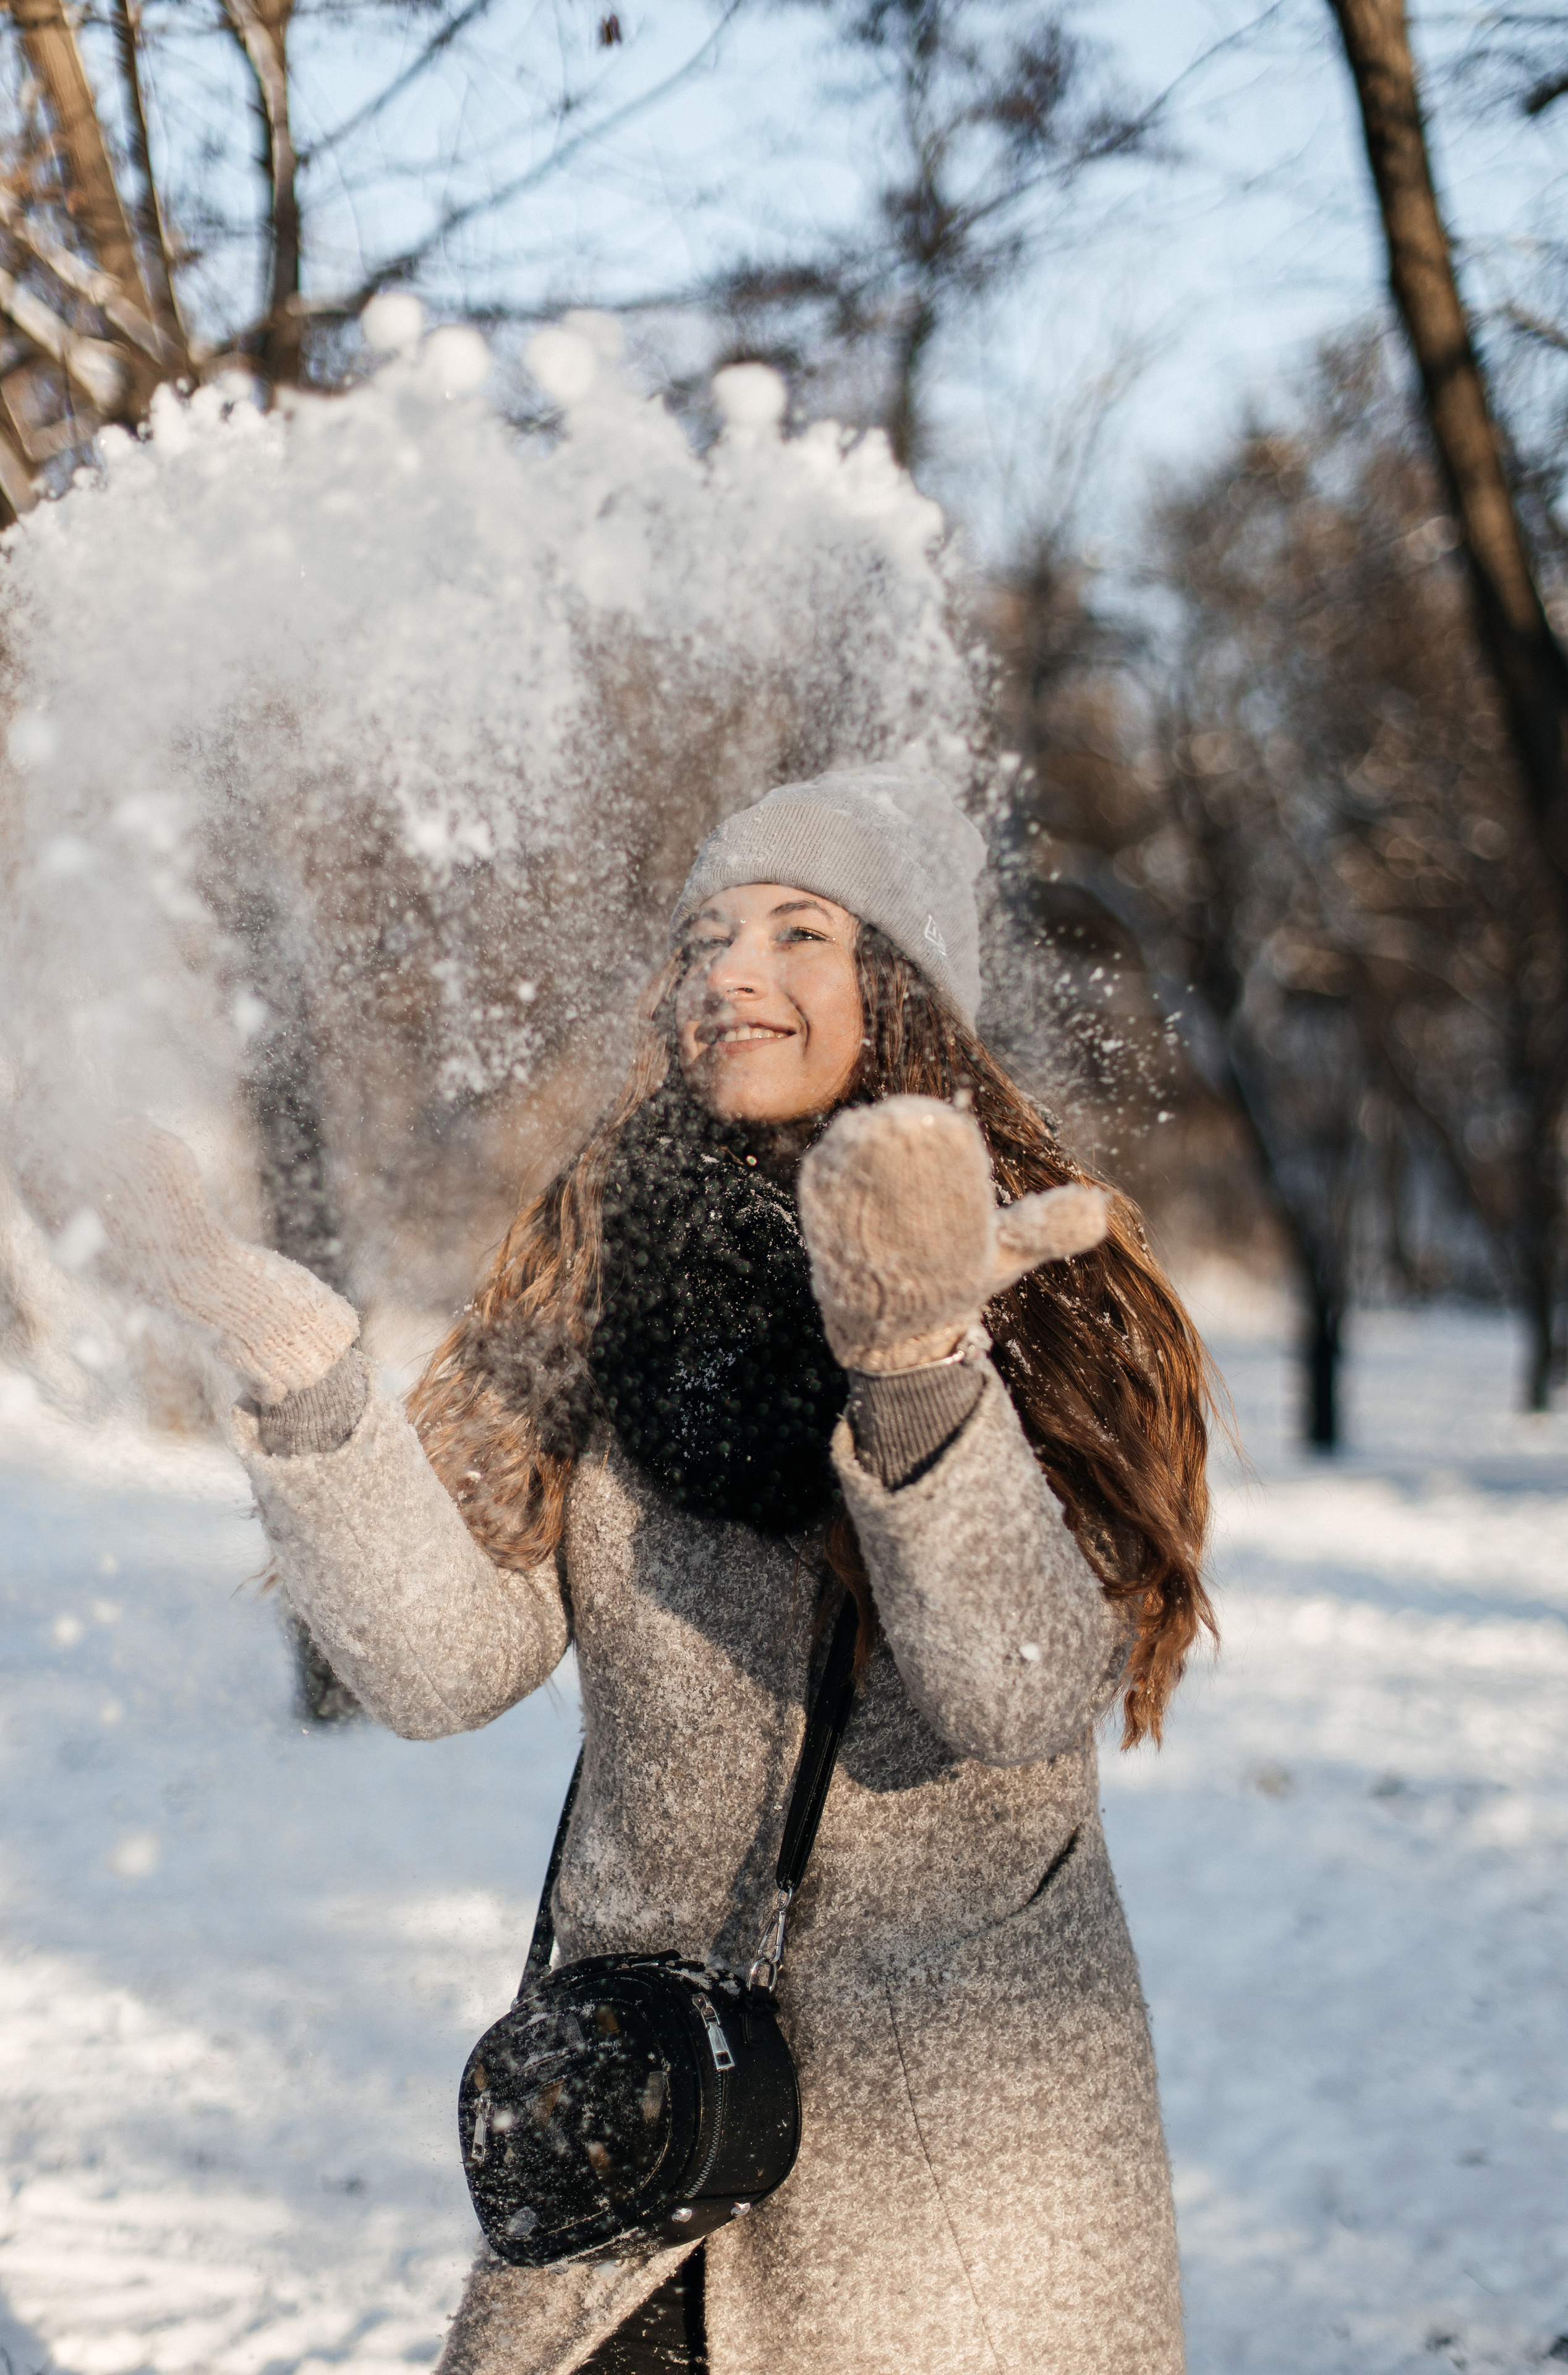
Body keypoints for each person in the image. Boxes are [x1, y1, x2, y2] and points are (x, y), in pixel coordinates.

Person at [97, 766, 1216, 2375]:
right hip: (642, 2150)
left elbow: (1019, 1690)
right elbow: (437, 1667)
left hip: (945, 2209)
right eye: (702, 939)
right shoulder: (600, 1276)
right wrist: (294, 1367)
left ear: (900, 989)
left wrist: (915, 1369)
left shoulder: (1036, 1287)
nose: (729, 974)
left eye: (798, 931)